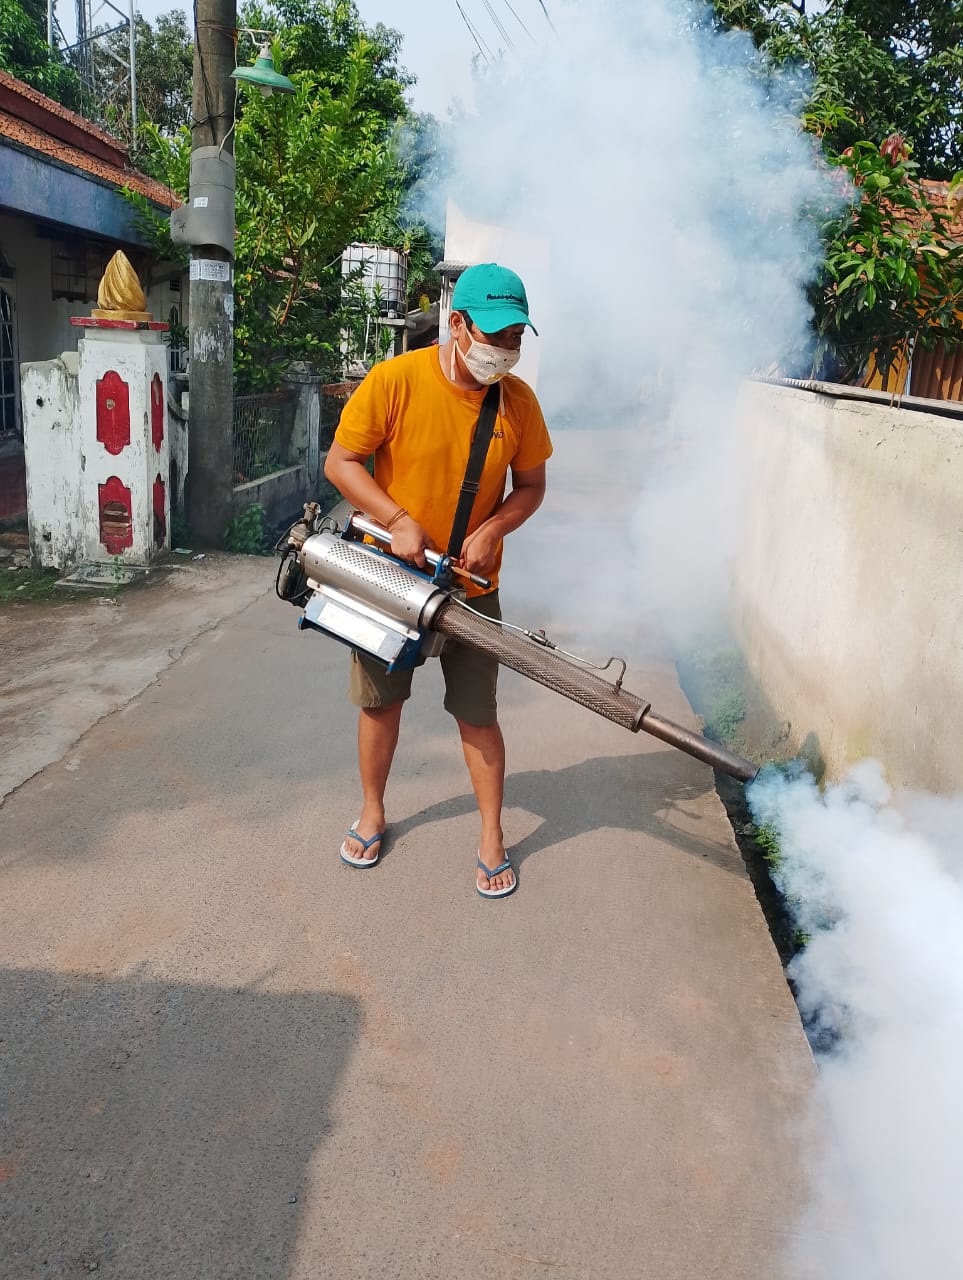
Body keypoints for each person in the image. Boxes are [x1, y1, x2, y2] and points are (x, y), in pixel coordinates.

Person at [323, 262, 553, 898]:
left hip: (474, 590)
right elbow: (340, 462)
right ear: (458, 324)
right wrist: (396, 517)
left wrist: (494, 529)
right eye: (496, 335)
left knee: (478, 716)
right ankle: (373, 810)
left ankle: (491, 833)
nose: (505, 350)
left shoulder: (519, 404)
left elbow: (531, 487)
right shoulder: (397, 380)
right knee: (381, 704)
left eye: (515, 338)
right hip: (393, 580)